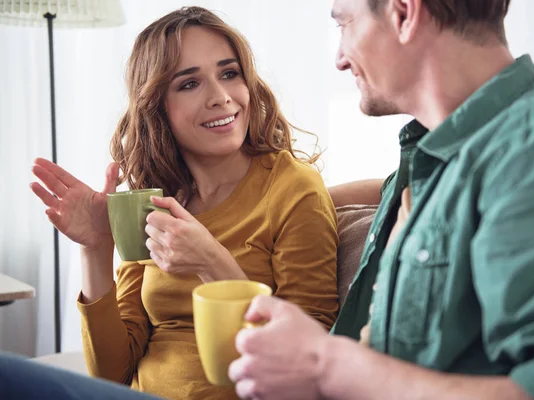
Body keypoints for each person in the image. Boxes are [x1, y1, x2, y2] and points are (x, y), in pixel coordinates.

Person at [227, 0, 534, 399]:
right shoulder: (431, 160)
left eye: (345, 24)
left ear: (404, 13)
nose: (339, 59)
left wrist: (326, 364)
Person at [28, 6, 338, 400]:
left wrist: (213, 263)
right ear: (157, 106)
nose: (221, 97)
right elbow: (110, 372)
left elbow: (307, 362)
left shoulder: (293, 189)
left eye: (229, 73)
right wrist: (95, 248)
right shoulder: (154, 200)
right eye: (190, 84)